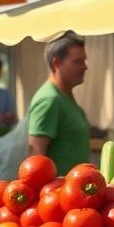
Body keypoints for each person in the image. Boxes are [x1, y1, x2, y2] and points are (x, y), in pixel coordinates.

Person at [27, 33, 91, 175]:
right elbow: (35, 158)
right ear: (57, 64)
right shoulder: (50, 100)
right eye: (77, 61)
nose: (84, 67)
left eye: (84, 61)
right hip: (58, 194)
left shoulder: (64, 97)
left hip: (75, 191)